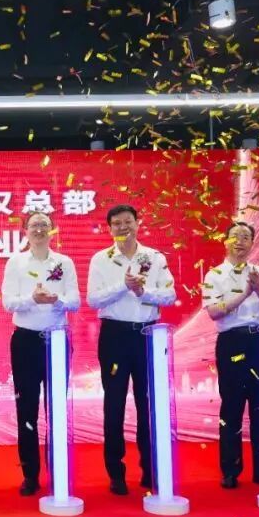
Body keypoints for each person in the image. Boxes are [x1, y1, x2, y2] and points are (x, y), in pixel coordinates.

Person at [87, 204, 175, 495]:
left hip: (148, 336)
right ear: (110, 228)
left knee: (148, 404)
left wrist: (142, 292)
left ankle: (150, 470)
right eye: (117, 223)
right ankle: (116, 473)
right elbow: (93, 300)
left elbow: (170, 295)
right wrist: (123, 287)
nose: (123, 227)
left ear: (138, 223)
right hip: (114, 336)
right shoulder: (101, 259)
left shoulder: (155, 258)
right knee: (114, 405)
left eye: (128, 221)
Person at [0, 211, 80, 496]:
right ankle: (30, 475)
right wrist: (32, 299)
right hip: (25, 341)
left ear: (52, 230)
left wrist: (56, 301)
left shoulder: (64, 262)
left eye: (44, 225)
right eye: (34, 225)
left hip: (56, 340)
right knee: (27, 410)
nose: (39, 230)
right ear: (25, 231)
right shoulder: (16, 262)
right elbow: (8, 303)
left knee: (57, 410)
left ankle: (58, 472)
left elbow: (75, 301)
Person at [201, 221, 259, 489]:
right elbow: (214, 312)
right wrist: (246, 293)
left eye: (246, 237)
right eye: (235, 236)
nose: (240, 241)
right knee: (232, 406)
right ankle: (230, 470)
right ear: (225, 241)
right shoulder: (214, 275)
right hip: (232, 342)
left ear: (252, 243)